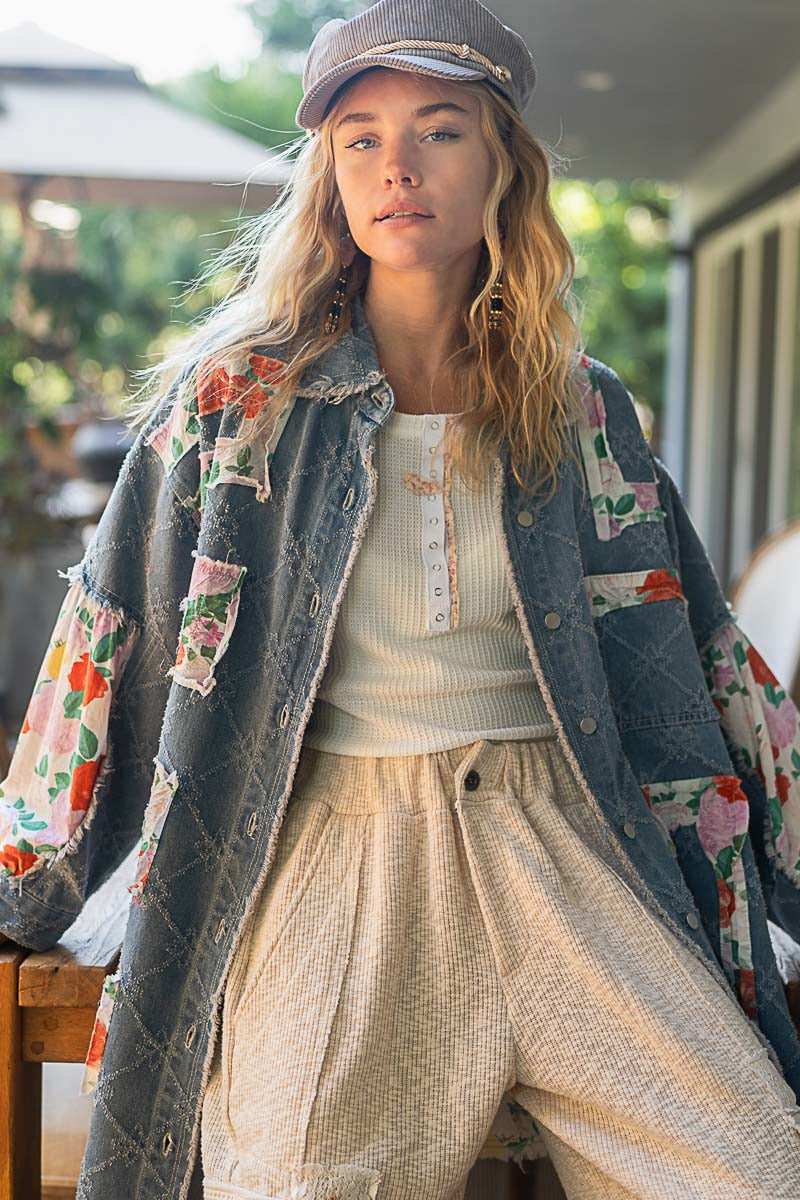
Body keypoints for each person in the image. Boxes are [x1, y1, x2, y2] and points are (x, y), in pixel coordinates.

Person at [3, 2, 800, 1198]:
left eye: (439, 130)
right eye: (361, 139)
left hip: (566, 849)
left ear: (499, 168)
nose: (399, 168)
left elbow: (701, 655)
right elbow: (108, 636)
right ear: (327, 176)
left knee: (753, 1168)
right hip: (336, 855)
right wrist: (28, 882)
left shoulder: (583, 411)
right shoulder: (237, 407)